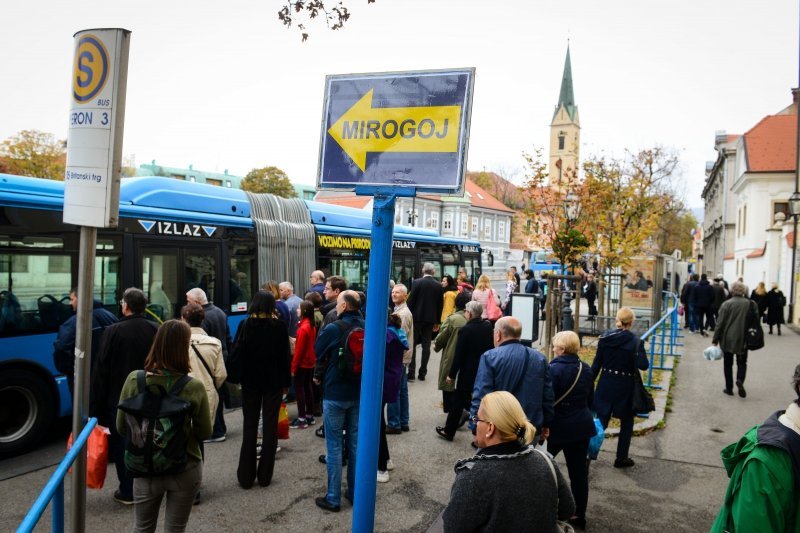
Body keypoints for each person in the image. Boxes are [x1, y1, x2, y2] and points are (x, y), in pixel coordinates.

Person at [116, 319, 211, 532]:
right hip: (184, 467)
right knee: (175, 529)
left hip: (144, 467)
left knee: (142, 528)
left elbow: (122, 427)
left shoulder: (134, 380)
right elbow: (205, 432)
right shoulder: (193, 386)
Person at [442, 391, 575, 532]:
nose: (475, 424)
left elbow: (452, 528)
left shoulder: (473, 477)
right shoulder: (545, 461)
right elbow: (567, 510)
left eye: (477, 419)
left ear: (490, 428)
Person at [711, 363, 800, 532]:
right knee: (739, 361)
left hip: (731, 344)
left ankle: (731, 385)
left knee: (731, 361)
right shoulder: (767, 463)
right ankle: (737, 381)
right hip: (740, 345)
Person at [90, 287, 159, 505]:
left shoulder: (113, 331)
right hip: (149, 395)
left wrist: (95, 404)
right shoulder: (155, 328)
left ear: (125, 306)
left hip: (119, 398)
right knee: (148, 439)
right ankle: (150, 484)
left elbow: (101, 369)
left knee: (123, 444)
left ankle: (128, 490)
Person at [313, 290, 364, 512]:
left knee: (334, 446)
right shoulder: (367, 325)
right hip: (359, 393)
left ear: (343, 306)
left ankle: (333, 498)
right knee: (354, 444)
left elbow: (317, 351)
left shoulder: (334, 328)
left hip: (335, 393)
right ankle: (354, 492)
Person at [233, 290, 291, 489]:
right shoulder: (280, 327)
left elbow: (237, 354)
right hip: (273, 383)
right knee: (270, 426)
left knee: (249, 426)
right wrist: (285, 383)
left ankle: (246, 476)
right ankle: (265, 475)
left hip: (250, 383)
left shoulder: (245, 325)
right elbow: (285, 358)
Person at [470, 317, 554, 438]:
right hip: (530, 429)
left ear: (498, 334)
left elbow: (481, 395)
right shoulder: (539, 358)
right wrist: (546, 423)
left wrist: (475, 425)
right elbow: (547, 395)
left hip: (499, 429)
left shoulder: (490, 357)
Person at [548, 331, 595, 530]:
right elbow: (590, 399)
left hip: (557, 427)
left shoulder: (553, 369)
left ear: (562, 348)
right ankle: (578, 514)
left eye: (555, 345)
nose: (553, 348)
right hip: (580, 427)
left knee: (544, 466)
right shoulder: (585, 368)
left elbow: (548, 400)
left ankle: (545, 507)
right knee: (578, 474)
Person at [591, 307, 649, 468]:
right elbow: (644, 365)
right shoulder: (636, 342)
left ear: (617, 319)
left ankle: (590, 452)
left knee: (600, 421)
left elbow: (596, 365)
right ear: (631, 322)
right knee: (627, 422)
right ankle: (621, 457)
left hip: (606, 384)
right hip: (625, 387)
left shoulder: (605, 338)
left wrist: (589, 384)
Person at [438, 301, 494, 441]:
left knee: (458, 402)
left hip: (467, 372)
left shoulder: (466, 330)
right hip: (484, 370)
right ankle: (481, 431)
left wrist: (451, 374)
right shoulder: (487, 327)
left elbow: (459, 355)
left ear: (469, 313)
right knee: (480, 402)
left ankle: (449, 431)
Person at [185, 287, 232, 443]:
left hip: (208, 358)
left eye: (189, 301)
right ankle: (220, 427)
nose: (187, 304)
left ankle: (215, 430)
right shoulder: (219, 311)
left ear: (197, 301)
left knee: (210, 396)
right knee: (217, 394)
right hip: (220, 355)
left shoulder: (202, 317)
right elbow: (227, 336)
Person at [53, 288, 117, 394]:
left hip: (85, 376)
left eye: (72, 299)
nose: (70, 303)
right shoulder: (110, 316)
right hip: (107, 374)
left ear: (80, 299)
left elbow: (61, 348)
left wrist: (73, 367)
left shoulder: (75, 322)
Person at [181, 304, 226, 431]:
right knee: (201, 432)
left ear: (183, 319)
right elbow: (221, 374)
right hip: (207, 393)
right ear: (202, 320)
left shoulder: (177, 342)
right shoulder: (214, 343)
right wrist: (210, 386)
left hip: (182, 392)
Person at [377, 312, 408, 483]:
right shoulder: (395, 332)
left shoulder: (386, 335)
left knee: (378, 424)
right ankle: (386, 460)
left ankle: (381, 467)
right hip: (391, 379)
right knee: (379, 421)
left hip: (382, 382)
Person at [712, 281, 754, 398]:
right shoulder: (750, 304)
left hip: (727, 338)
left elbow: (720, 323)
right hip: (744, 338)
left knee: (728, 363)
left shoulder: (726, 304)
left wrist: (715, 339)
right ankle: (740, 380)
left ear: (731, 290)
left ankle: (729, 388)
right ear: (744, 291)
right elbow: (755, 320)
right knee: (742, 362)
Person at [434, 291, 469, 428]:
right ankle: (464, 412)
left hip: (451, 356)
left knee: (448, 385)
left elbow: (441, 338)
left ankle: (456, 413)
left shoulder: (453, 319)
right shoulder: (471, 319)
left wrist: (436, 346)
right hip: (468, 359)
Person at [406, 262, 443, 382]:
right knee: (426, 345)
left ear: (423, 270)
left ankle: (411, 373)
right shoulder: (438, 285)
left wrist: (409, 315)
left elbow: (411, 300)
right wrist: (437, 321)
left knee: (413, 344)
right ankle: (422, 373)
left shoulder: (417, 282)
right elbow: (440, 305)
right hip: (430, 319)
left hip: (416, 318)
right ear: (433, 272)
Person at [387, 283, 414, 434]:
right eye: (393, 292)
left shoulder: (401, 314)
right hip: (403, 359)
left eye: (398, 293)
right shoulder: (401, 311)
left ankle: (394, 423)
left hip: (399, 359)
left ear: (405, 295)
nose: (394, 294)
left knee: (395, 391)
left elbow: (398, 339)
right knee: (402, 391)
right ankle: (403, 421)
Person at [290, 300, 317, 429]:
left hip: (302, 363)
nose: (297, 310)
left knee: (299, 390)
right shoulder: (311, 326)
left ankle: (301, 418)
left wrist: (293, 367)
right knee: (308, 387)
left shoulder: (303, 328)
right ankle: (309, 415)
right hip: (310, 361)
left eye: (299, 308)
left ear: (304, 311)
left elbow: (299, 351)